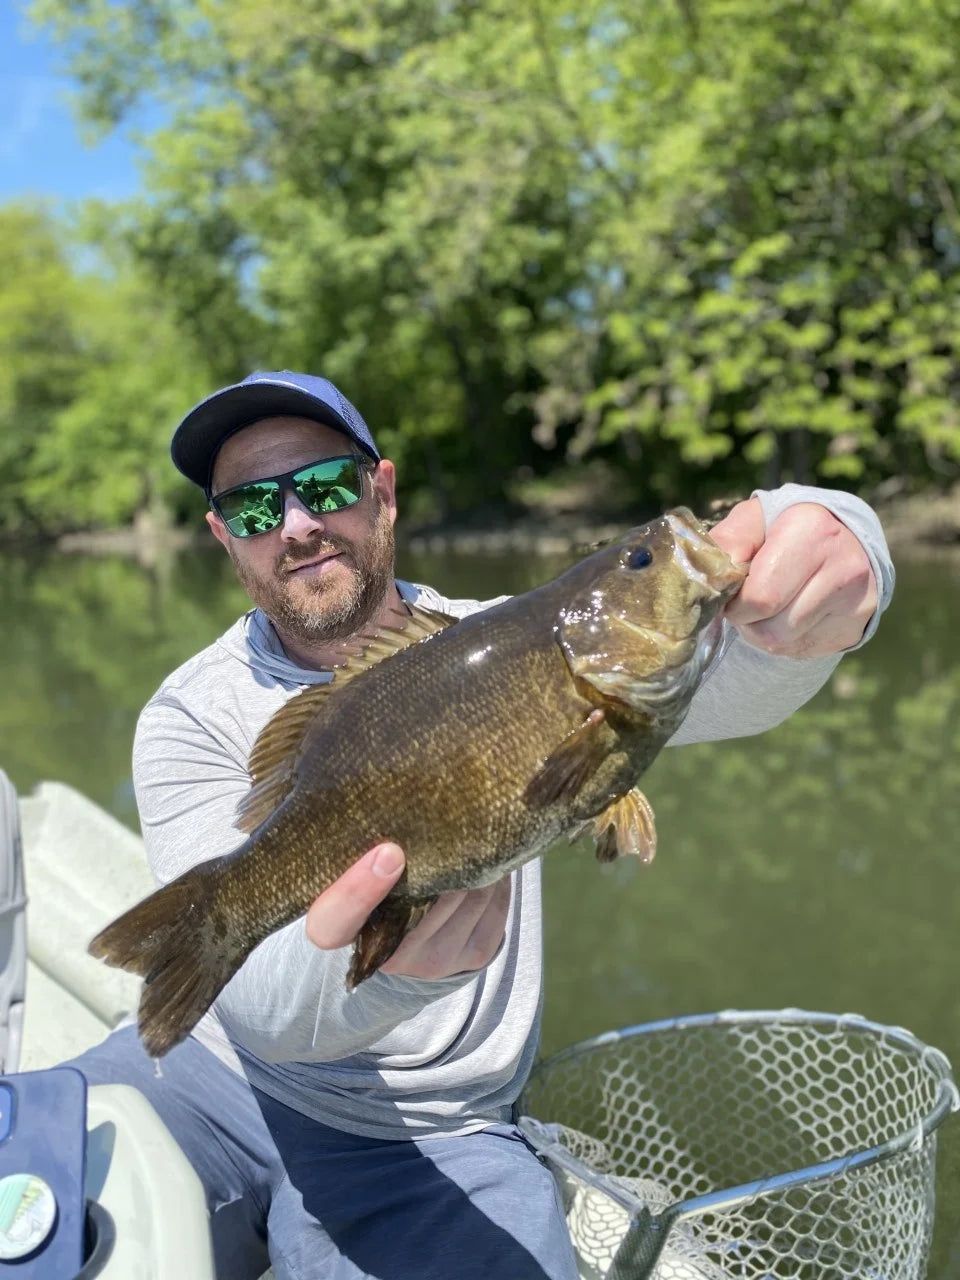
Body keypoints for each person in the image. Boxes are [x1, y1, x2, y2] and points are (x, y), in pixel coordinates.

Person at [64, 370, 894, 1280]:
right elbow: (253, 1009)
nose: (297, 524)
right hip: (214, 1074)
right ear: (226, 535)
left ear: (381, 493)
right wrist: (390, 978)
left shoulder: (510, 637)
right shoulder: (187, 711)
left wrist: (832, 536)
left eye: (328, 487)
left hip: (430, 1129)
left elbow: (755, 672)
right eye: (256, 507)